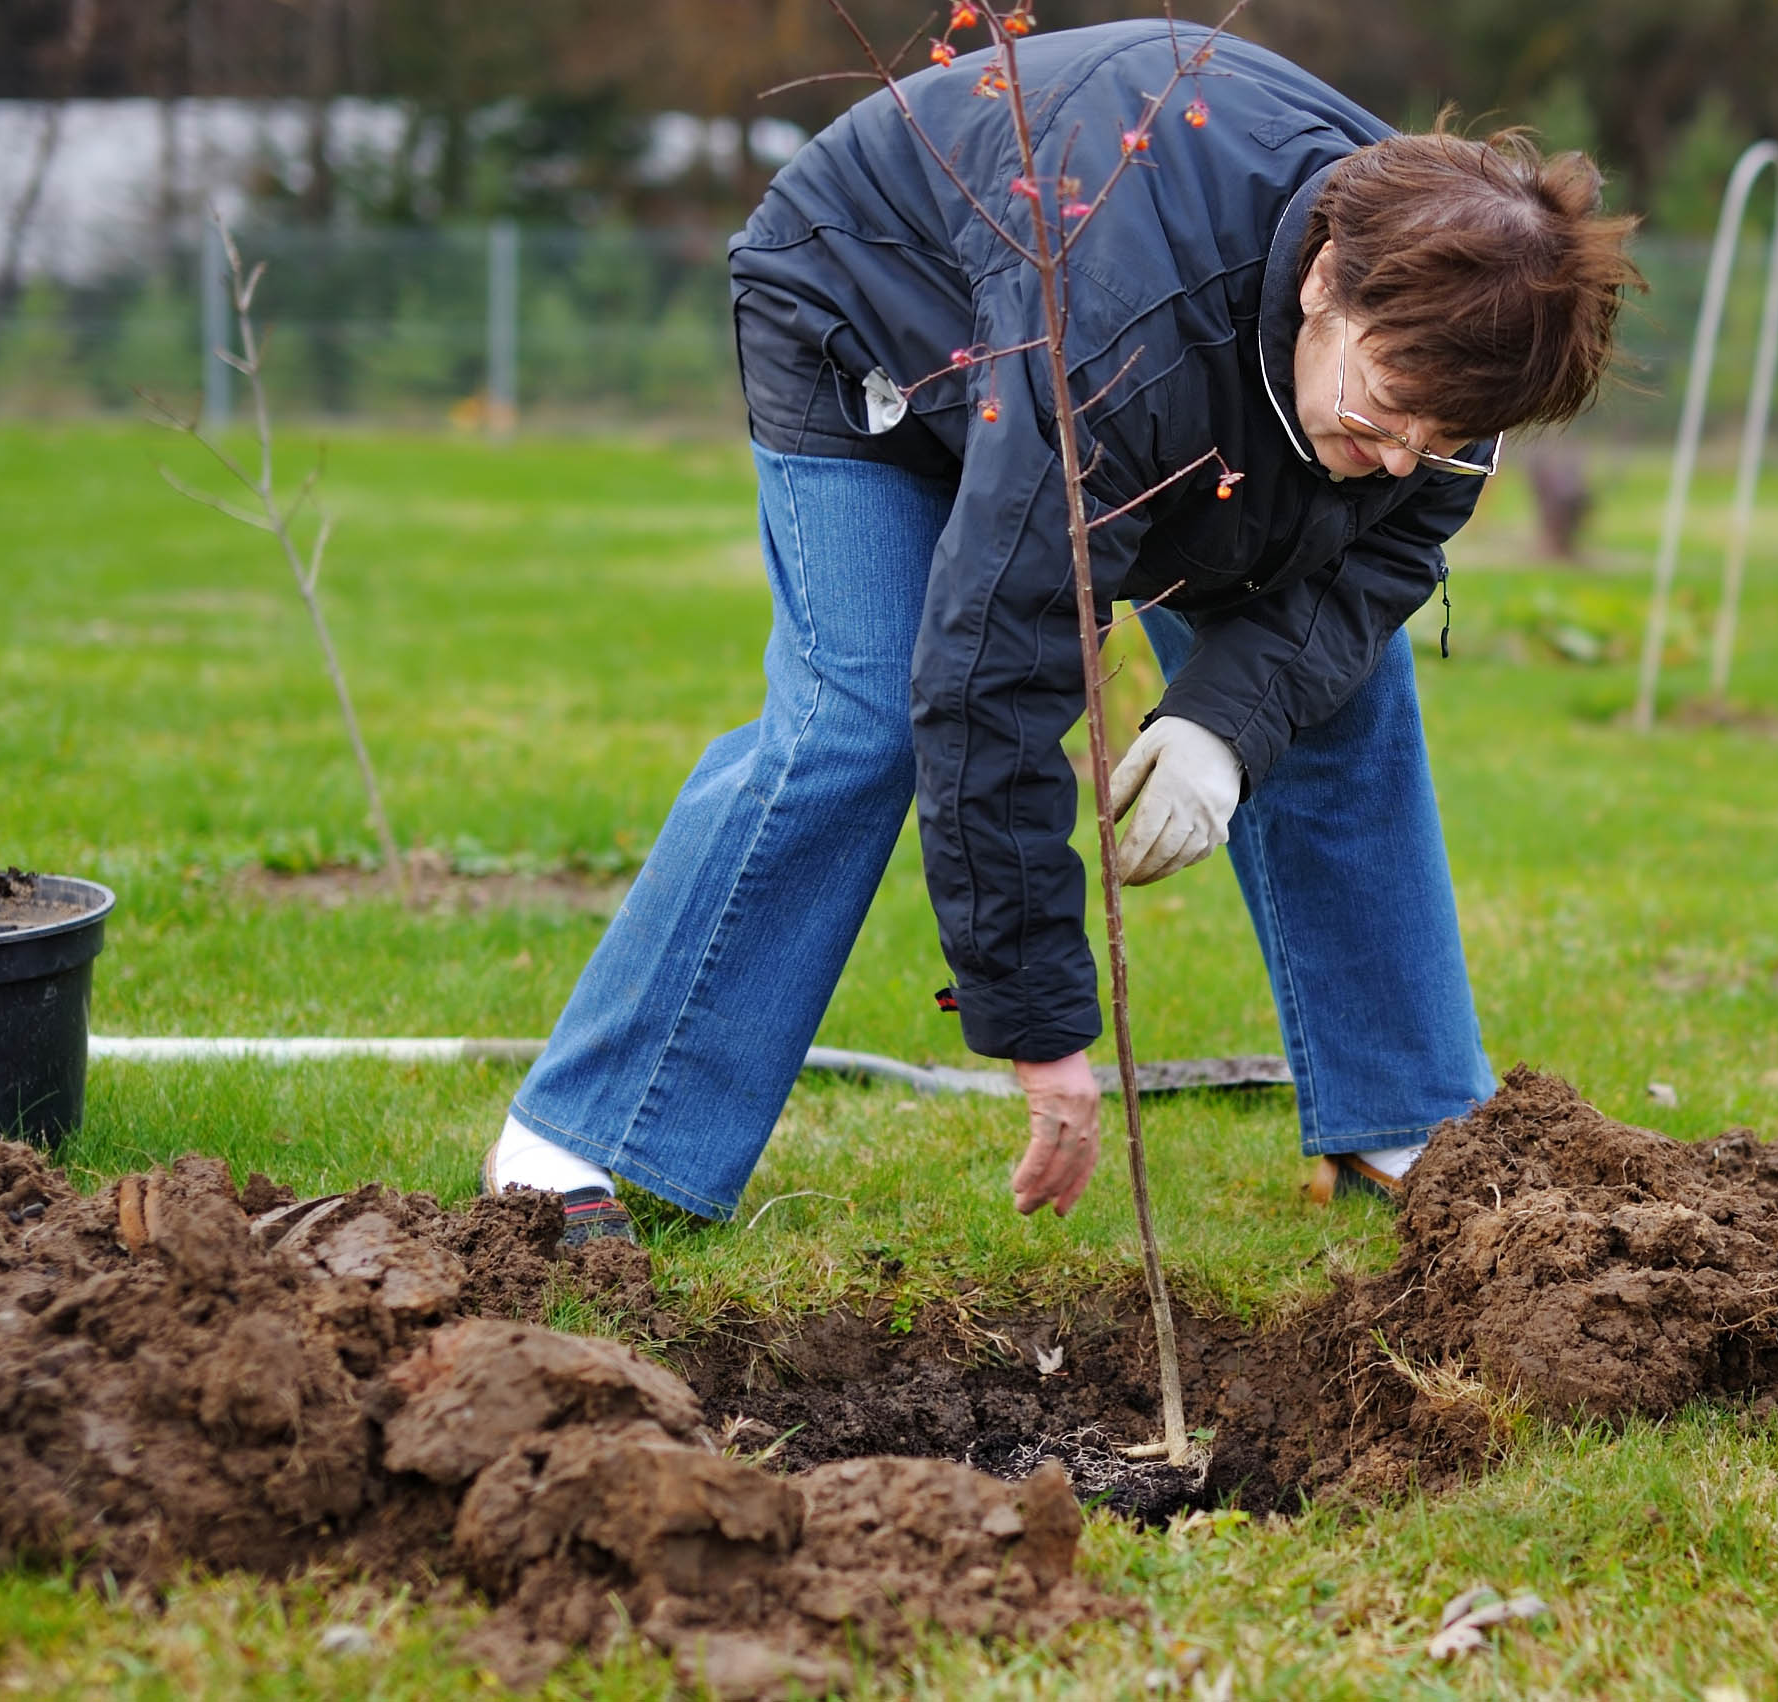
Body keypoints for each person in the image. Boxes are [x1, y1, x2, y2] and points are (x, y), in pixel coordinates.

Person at [476, 19, 1639, 1242]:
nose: (1402, 457)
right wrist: (1041, 1031)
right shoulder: (1123, 327)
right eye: (1391, 409)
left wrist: (1222, 729)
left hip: (1197, 383)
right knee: (857, 721)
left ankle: (1402, 1127)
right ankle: (582, 1137)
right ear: (1321, 282)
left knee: (1340, 702)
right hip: (876, 317)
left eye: (1442, 438)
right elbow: (997, 662)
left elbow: (1387, 551)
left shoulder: (1464, 347)